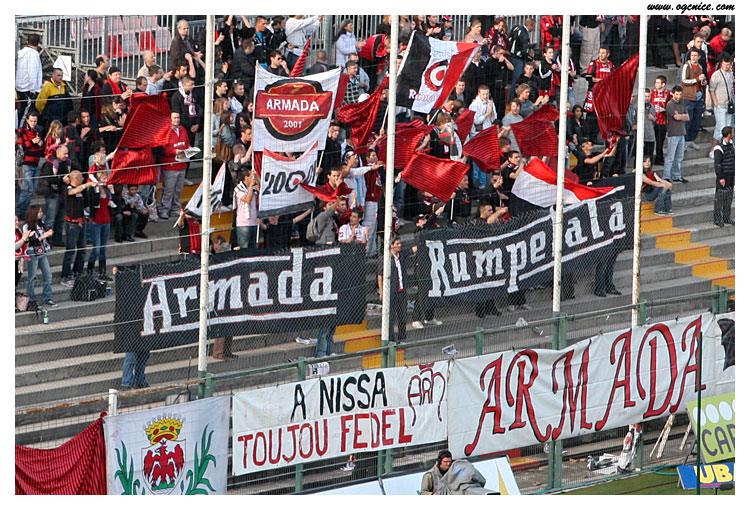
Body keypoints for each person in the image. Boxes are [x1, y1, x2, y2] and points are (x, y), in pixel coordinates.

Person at [60, 170, 96, 287]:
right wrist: (87, 185)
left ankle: (77, 273)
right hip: (72, 224)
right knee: (70, 250)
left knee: (82, 249)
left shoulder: (82, 191)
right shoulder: (67, 188)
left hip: (82, 222)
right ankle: (65, 276)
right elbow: (72, 192)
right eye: (81, 177)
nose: (83, 179)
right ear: (75, 178)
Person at [159, 112, 191, 219]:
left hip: (182, 165)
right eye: (174, 118)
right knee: (168, 190)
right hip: (170, 165)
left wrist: (190, 148)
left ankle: (175, 209)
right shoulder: (165, 131)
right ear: (170, 119)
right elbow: (163, 148)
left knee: (178, 190)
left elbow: (187, 142)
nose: (177, 120)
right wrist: (174, 151)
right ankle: (164, 210)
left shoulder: (182, 130)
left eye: (178, 118)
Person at [377, 236, 409, 343]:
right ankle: (391, 339)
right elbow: (380, 276)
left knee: (403, 316)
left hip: (402, 290)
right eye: (397, 244)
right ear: (391, 245)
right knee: (390, 317)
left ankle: (402, 337)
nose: (399, 246)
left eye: (400, 244)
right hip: (391, 291)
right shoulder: (384, 258)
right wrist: (381, 292)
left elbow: (412, 249)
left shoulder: (401, 255)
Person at [23, 205, 55, 307]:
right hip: (33, 252)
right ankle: (31, 299)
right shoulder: (26, 226)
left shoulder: (41, 224)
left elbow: (44, 238)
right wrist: (44, 236)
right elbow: (30, 242)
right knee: (32, 277)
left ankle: (47, 297)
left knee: (48, 275)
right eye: (39, 212)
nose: (41, 214)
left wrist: (48, 235)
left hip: (42, 251)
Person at [86, 168, 115, 279]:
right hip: (96, 222)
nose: (105, 180)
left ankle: (103, 273)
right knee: (96, 249)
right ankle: (89, 271)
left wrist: (112, 191)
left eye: (106, 178)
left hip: (106, 221)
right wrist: (97, 189)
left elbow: (114, 201)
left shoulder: (107, 189)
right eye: (103, 178)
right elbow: (93, 202)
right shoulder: (93, 190)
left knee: (103, 249)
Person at [16, 112, 45, 218]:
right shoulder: (22, 131)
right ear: (27, 120)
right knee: (27, 190)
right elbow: (21, 146)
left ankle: (22, 212)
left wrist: (40, 144)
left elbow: (40, 149)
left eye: (35, 121)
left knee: (31, 191)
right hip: (26, 163)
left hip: (35, 162)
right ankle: (19, 211)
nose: (33, 123)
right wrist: (32, 141)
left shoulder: (37, 131)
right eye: (31, 121)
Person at [680, 48, 707, 150]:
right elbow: (683, 81)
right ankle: (684, 142)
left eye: (695, 55)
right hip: (688, 96)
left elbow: (700, 81)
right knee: (688, 120)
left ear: (699, 57)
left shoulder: (700, 66)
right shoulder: (687, 66)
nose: (693, 57)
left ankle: (691, 140)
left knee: (696, 120)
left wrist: (703, 82)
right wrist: (696, 79)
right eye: (692, 55)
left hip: (698, 96)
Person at [708, 53, 734, 158]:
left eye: (728, 64)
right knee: (720, 128)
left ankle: (725, 150)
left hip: (728, 105)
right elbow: (711, 89)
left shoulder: (731, 74)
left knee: (728, 127)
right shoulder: (716, 75)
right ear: (721, 64)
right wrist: (715, 102)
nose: (727, 66)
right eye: (725, 64)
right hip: (720, 105)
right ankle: (713, 150)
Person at [663, 85, 690, 183]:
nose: (679, 96)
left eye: (680, 94)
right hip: (673, 133)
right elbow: (676, 117)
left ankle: (676, 175)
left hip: (681, 133)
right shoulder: (670, 104)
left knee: (679, 157)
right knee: (670, 157)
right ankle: (666, 176)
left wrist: (681, 116)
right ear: (673, 94)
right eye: (677, 94)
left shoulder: (682, 103)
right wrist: (682, 116)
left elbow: (687, 117)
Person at [15, 33, 42, 126]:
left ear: (27, 41)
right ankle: (19, 130)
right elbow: (32, 72)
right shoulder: (33, 54)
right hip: (28, 89)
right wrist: (33, 90)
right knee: (25, 114)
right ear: (38, 43)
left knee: (22, 111)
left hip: (20, 86)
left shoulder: (20, 52)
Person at [712, 126, 734, 227]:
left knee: (729, 198)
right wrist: (720, 177)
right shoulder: (719, 148)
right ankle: (717, 219)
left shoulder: (731, 144)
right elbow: (717, 164)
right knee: (720, 198)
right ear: (728, 134)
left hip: (731, 175)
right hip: (723, 176)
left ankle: (726, 217)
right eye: (732, 132)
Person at [233, 169, 260, 249]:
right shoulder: (239, 189)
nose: (253, 178)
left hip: (254, 222)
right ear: (246, 177)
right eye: (251, 176)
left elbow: (258, 201)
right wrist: (251, 187)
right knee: (244, 249)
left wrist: (257, 181)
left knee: (253, 248)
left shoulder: (254, 189)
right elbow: (248, 200)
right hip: (243, 224)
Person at [649, 75, 672, 165]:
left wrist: (664, 109)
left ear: (663, 84)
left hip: (662, 122)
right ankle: (648, 160)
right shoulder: (651, 93)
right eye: (655, 82)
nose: (656, 84)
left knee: (660, 143)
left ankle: (659, 159)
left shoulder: (668, 94)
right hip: (651, 122)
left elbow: (672, 107)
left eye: (658, 82)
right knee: (650, 142)